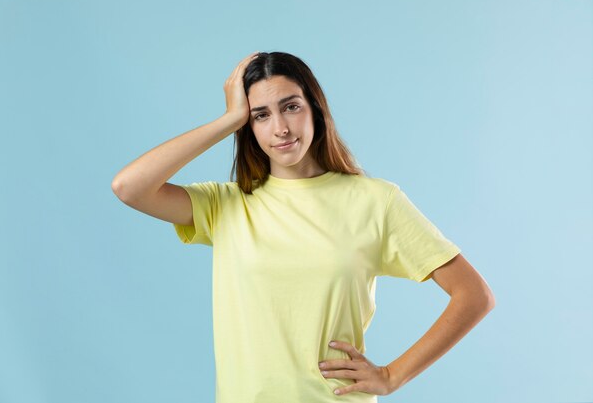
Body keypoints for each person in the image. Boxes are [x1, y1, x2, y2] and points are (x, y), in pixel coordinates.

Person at [111, 51, 496, 403]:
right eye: (261, 114)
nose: (280, 128)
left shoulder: (376, 201)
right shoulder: (226, 205)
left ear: (315, 109)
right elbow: (129, 187)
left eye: (290, 107)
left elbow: (474, 294)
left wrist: (393, 375)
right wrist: (228, 121)